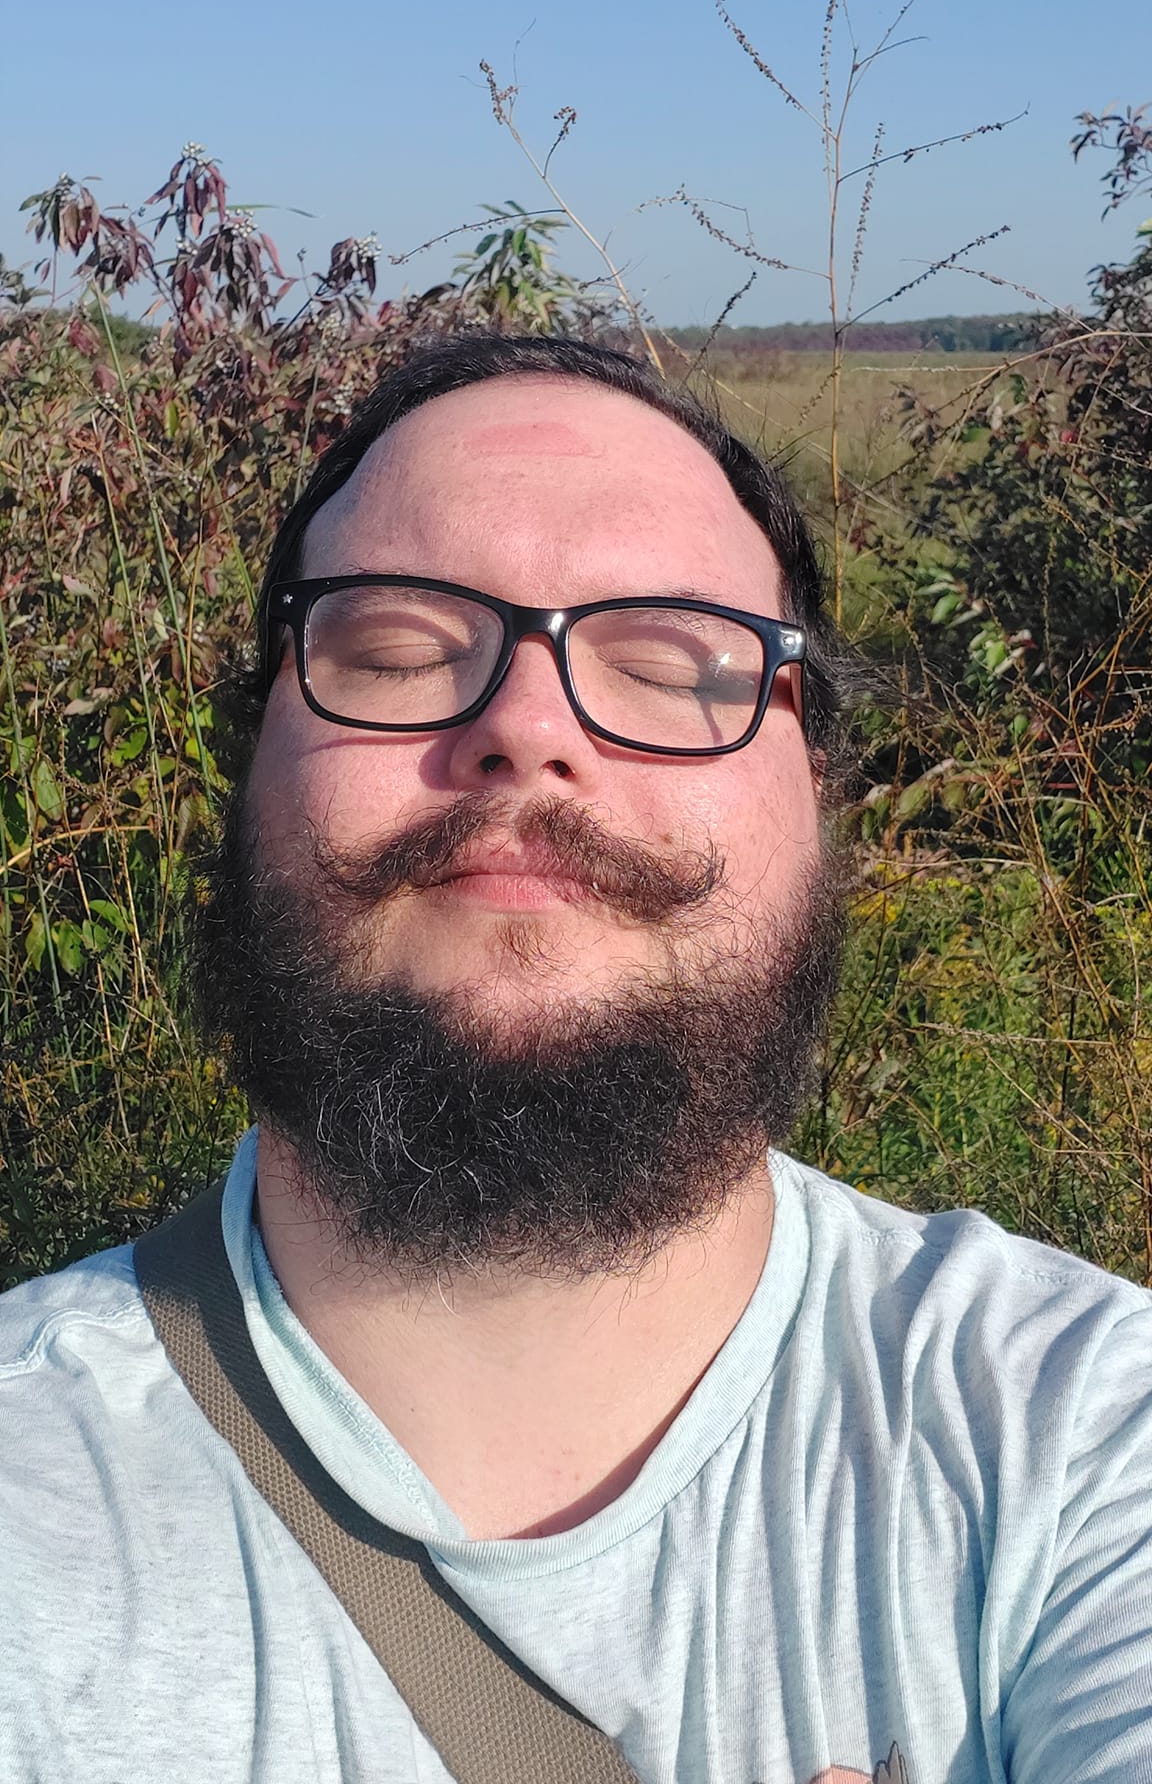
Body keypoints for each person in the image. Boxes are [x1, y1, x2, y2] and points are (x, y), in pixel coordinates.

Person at [1, 332, 1150, 1784]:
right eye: (398, 648)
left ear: (823, 797)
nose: (528, 729)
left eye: (673, 664)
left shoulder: (1090, 1445)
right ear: (248, 766)